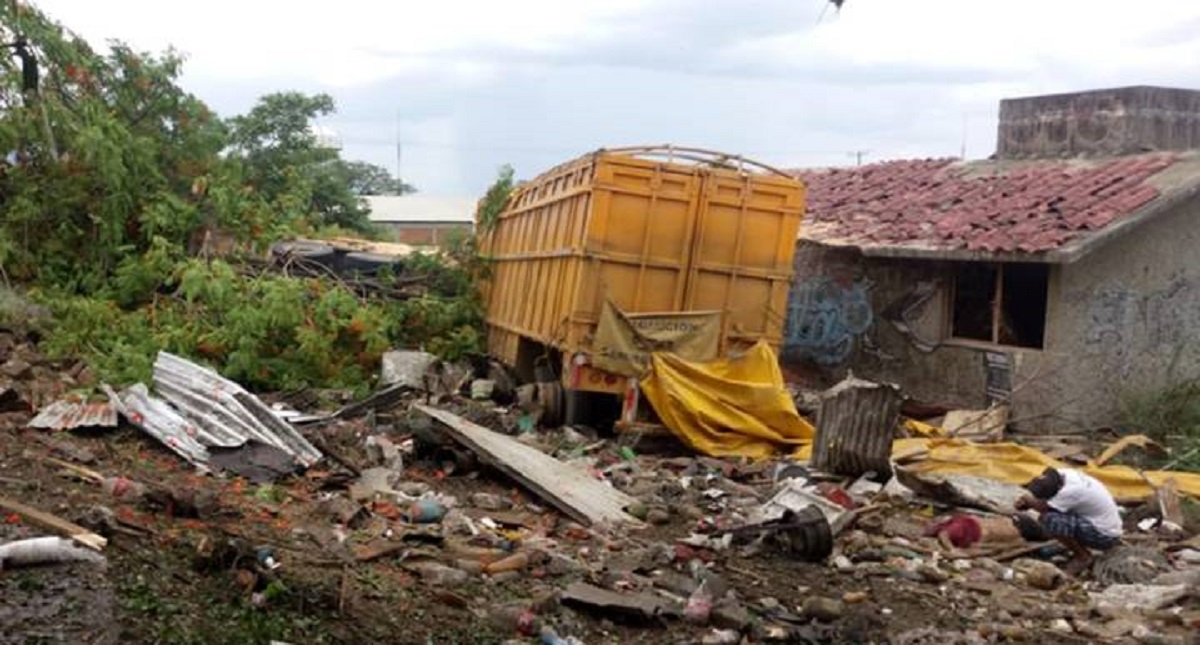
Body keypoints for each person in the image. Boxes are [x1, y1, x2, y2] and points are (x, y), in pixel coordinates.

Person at [1013, 467, 1122, 575]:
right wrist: (1031, 503)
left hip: (1104, 536)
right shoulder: (1062, 474)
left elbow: (1044, 508)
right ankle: (1067, 543)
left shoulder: (1071, 490)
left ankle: (1083, 557)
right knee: (1054, 517)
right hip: (1100, 523)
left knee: (1051, 520)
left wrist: (1028, 501)